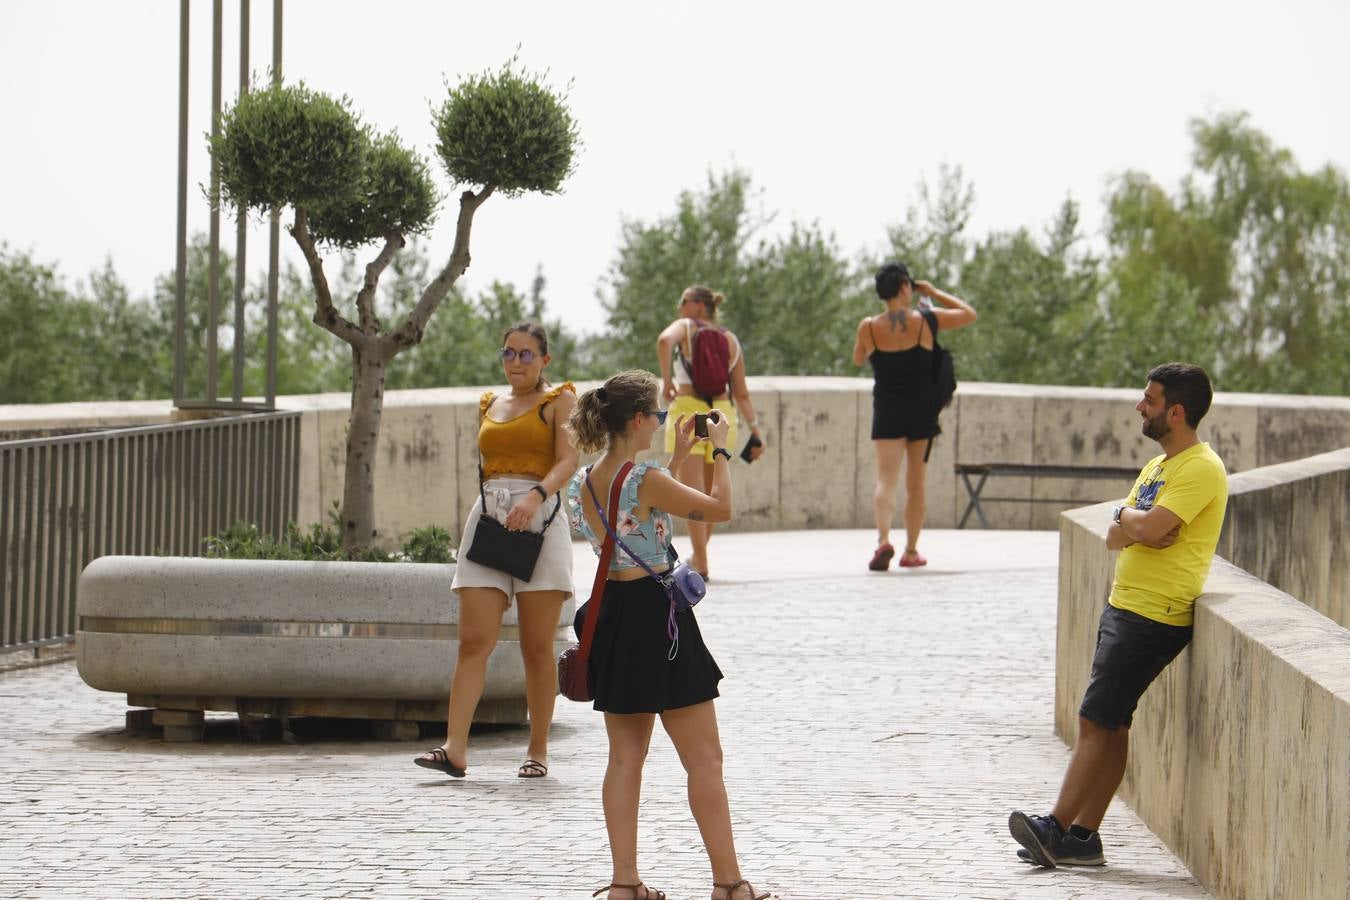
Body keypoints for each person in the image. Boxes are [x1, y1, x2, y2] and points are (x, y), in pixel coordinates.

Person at [1008, 362, 1228, 868]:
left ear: (1175, 412)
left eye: (1149, 401)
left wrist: (1136, 525)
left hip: (1153, 615)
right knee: (1113, 726)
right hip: (1126, 605)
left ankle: (1054, 827)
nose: (1139, 406)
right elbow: (1119, 533)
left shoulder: (1199, 468)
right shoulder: (1158, 468)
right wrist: (1133, 521)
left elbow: (1149, 532)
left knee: (1093, 720)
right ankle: (1084, 839)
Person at [567, 370, 777, 900]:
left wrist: (678, 455)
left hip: (614, 612)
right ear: (637, 420)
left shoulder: (586, 480)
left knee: (623, 760)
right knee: (704, 760)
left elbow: (635, 513)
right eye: (657, 417)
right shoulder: (645, 478)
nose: (660, 424)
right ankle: (730, 885)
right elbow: (719, 509)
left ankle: (624, 884)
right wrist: (720, 451)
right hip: (659, 620)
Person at [414, 322, 579, 780]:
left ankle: (538, 749)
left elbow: (569, 459)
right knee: (473, 641)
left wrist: (536, 496)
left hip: (540, 520)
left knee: (536, 647)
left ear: (545, 359)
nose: (517, 363)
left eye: (527, 354)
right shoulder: (490, 403)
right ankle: (455, 747)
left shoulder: (559, 400)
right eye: (509, 353)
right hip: (489, 520)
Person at [852, 262, 976, 570]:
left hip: (887, 410)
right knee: (916, 483)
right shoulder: (925, 321)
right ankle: (910, 551)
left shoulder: (868, 326)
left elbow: (857, 358)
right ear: (906, 287)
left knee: (885, 480)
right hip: (922, 411)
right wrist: (933, 292)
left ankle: (883, 541)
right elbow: (969, 314)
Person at [656, 286, 765, 579]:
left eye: (684, 301)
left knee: (692, 493)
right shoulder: (730, 339)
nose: (680, 308)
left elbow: (665, 340)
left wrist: (666, 380)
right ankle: (700, 555)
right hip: (721, 414)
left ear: (700, 306)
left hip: (689, 410)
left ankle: (700, 561)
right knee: (714, 492)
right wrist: (755, 429)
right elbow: (740, 392)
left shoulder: (687, 328)